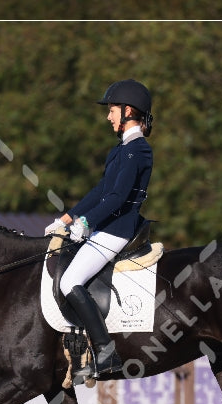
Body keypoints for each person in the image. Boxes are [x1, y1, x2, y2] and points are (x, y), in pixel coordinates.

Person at [45, 79, 154, 378]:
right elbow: (99, 192)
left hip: (118, 229)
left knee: (70, 281)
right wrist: (67, 220)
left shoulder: (138, 150)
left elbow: (118, 198)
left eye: (112, 110)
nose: (108, 116)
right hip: (104, 226)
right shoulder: (119, 150)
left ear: (128, 111)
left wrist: (87, 223)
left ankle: (106, 353)